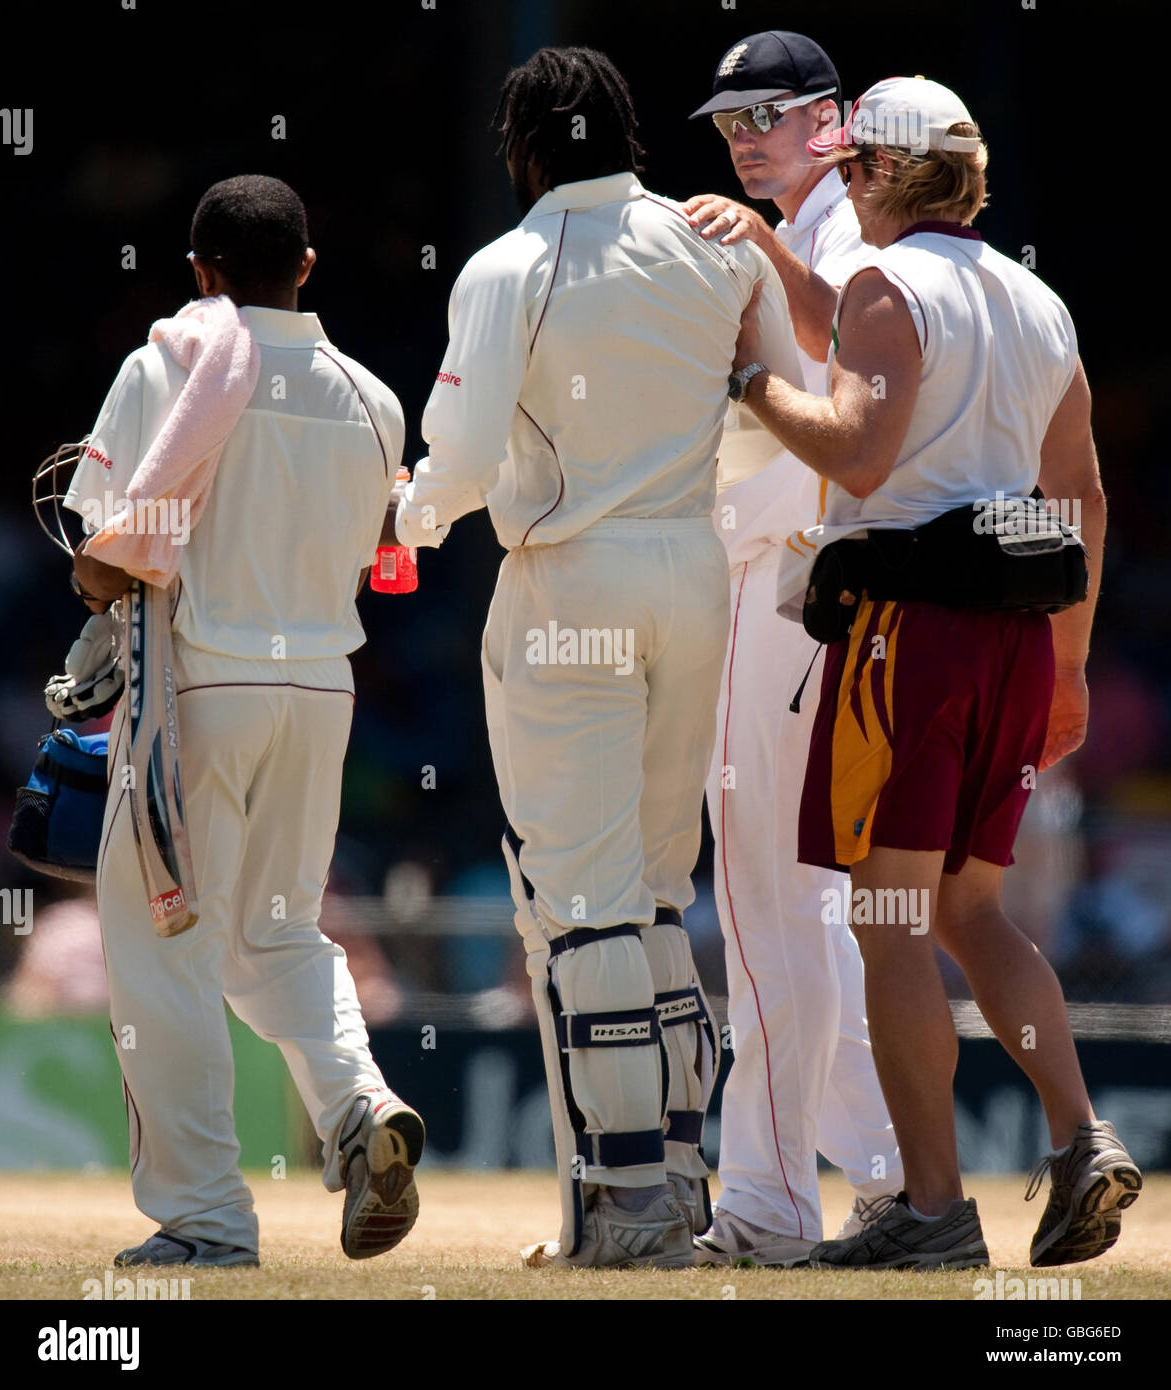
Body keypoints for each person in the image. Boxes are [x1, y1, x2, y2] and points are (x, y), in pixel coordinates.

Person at [383, 46, 804, 1268]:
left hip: (573, 574)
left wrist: (404, 517)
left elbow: (454, 459)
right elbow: (772, 401)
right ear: (627, 133)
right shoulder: (715, 241)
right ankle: (668, 1183)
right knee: (658, 892)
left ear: (518, 149)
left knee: (581, 900)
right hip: (696, 571)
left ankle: (622, 1210)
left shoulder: (512, 264)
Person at [731, 77, 1141, 1268]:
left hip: (907, 633)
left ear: (886, 176)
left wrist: (748, 387)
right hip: (1017, 633)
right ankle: (1080, 1136)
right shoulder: (1034, 298)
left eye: (854, 169)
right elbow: (1086, 497)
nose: (843, 185)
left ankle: (929, 1207)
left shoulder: (883, 284)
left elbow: (858, 455)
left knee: (890, 919)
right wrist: (1066, 667)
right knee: (971, 909)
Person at [66, 174, 425, 1268]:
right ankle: (361, 1109)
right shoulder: (372, 396)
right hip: (320, 688)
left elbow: (103, 556)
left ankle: (207, 1217)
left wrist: (93, 587)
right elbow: (383, 554)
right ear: (306, 267)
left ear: (199, 274)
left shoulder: (165, 364)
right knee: (273, 934)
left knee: (162, 947)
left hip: (199, 687)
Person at [677, 30, 902, 1265]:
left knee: (770, 904)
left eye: (767, 113)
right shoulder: (830, 227)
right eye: (728, 121)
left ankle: (767, 1203)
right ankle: (883, 1181)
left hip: (790, 588)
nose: (744, 136)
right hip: (823, 596)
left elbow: (829, 403)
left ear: (836, 117)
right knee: (810, 909)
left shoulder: (834, 234)